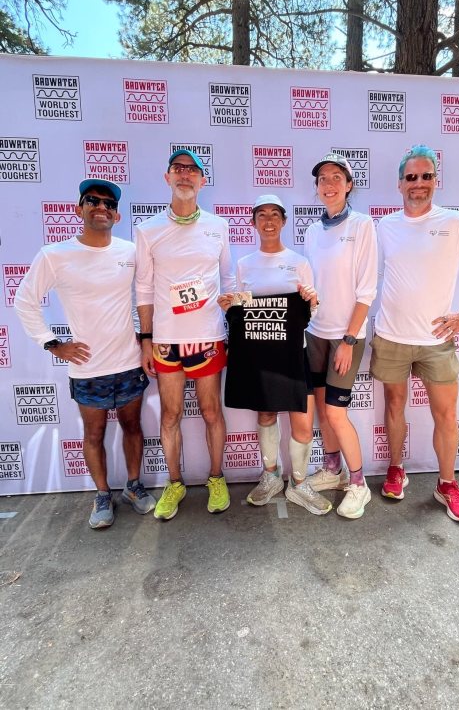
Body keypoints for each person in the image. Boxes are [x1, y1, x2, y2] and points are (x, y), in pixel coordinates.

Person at [15, 179, 154, 529]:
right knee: (93, 434)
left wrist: (147, 339)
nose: (101, 207)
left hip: (129, 362)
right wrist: (52, 343)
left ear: (117, 215)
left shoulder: (130, 252)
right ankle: (103, 494)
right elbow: (25, 301)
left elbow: (149, 294)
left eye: (109, 203)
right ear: (80, 209)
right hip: (87, 368)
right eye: (92, 200)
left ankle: (133, 486)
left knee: (133, 426)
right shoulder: (54, 255)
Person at [370, 144, 459, 522]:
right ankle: (396, 469)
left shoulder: (456, 223)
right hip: (391, 336)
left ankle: (447, 484)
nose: (419, 183)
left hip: (437, 341)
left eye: (426, 176)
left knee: (446, 414)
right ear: (400, 184)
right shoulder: (384, 226)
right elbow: (367, 276)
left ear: (435, 181)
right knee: (394, 405)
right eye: (411, 177)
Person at [135, 150, 235, 520]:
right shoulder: (147, 230)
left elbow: (228, 278)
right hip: (166, 340)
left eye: (193, 170)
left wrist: (230, 312)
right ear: (168, 178)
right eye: (178, 169)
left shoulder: (217, 226)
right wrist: (146, 339)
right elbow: (143, 289)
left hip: (207, 337)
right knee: (170, 414)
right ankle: (174, 483)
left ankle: (216, 478)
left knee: (211, 411)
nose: (185, 175)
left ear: (202, 181)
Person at [218, 194, 332, 515]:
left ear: (283, 221)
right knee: (266, 416)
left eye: (274, 215)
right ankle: (270, 476)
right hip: (260, 357)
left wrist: (311, 301)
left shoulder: (299, 262)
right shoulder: (244, 264)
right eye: (262, 215)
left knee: (302, 423)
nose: (268, 221)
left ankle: (299, 483)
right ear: (253, 223)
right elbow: (241, 308)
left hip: (294, 355)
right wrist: (229, 308)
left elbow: (310, 311)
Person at [304, 153, 378, 519]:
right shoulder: (311, 232)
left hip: (345, 337)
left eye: (337, 177)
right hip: (315, 333)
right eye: (323, 179)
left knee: (335, 412)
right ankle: (332, 469)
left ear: (349, 185)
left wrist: (348, 341)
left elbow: (366, 291)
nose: (329, 184)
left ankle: (359, 484)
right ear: (317, 188)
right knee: (322, 409)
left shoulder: (363, 226)